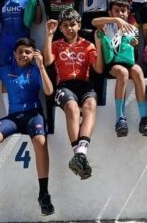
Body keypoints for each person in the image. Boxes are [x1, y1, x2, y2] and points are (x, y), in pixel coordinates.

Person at [0, 38, 54, 216]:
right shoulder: (6, 70)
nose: (23, 55)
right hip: (14, 117)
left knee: (40, 140)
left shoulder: (35, 70)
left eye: (28, 52)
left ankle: (43, 194)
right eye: (20, 51)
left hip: (34, 115)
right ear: (14, 54)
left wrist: (41, 66)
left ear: (33, 54)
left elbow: (48, 91)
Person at [43, 9, 104, 180]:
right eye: (65, 26)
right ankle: (79, 153)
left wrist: (98, 44)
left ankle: (80, 154)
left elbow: (98, 69)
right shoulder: (56, 45)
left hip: (84, 84)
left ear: (79, 26)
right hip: (64, 85)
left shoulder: (87, 45)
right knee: (72, 107)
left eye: (73, 25)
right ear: (60, 28)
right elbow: (47, 61)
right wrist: (49, 35)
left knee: (90, 105)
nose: (69, 28)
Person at [93, 0, 147, 137]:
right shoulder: (107, 25)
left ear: (128, 12)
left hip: (127, 61)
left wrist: (133, 45)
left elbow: (134, 52)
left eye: (123, 11)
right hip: (113, 63)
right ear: (110, 12)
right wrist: (115, 21)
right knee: (122, 73)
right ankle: (120, 118)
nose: (121, 14)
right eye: (117, 11)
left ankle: (144, 118)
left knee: (138, 71)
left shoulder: (132, 29)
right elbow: (94, 22)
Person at [0, 0, 41, 110]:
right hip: (4, 45)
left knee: (26, 75)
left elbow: (38, 21)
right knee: (6, 78)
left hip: (23, 46)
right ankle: (10, 114)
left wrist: (36, 1)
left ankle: (26, 111)